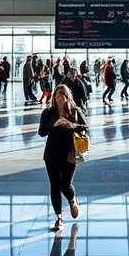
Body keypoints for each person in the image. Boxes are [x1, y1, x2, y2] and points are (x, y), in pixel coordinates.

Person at [38, 85, 88, 232]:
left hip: (70, 153)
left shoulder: (75, 111)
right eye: (57, 95)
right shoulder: (48, 112)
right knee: (54, 184)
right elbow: (41, 131)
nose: (59, 98)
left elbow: (85, 128)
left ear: (68, 97)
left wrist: (72, 125)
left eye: (62, 95)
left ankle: (72, 200)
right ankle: (59, 218)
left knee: (65, 184)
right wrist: (54, 124)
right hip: (52, 154)